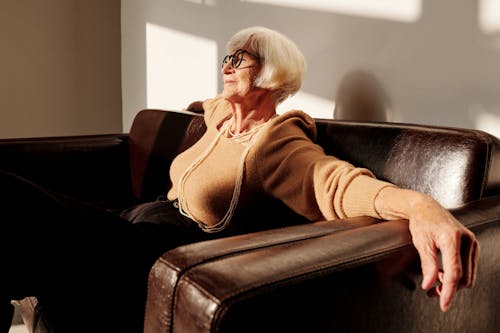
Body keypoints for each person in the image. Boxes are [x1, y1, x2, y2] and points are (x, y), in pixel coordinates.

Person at [1, 26, 478, 332]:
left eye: (241, 58)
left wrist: (420, 206)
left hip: (164, 251)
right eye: (226, 57)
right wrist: (208, 110)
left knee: (14, 202)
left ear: (271, 76)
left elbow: (334, 183)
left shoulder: (276, 140)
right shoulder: (218, 114)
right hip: (133, 221)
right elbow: (201, 108)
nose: (226, 65)